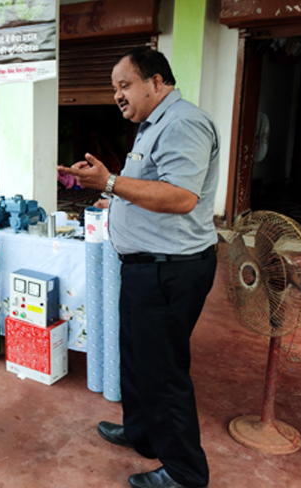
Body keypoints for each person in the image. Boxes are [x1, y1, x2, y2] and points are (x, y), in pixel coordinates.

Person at [59, 47, 219, 488]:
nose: (117, 96)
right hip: (144, 266)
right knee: (136, 357)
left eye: (125, 85)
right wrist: (115, 197)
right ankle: (142, 432)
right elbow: (152, 187)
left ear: (157, 82)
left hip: (170, 269)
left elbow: (181, 197)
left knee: (164, 370)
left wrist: (108, 181)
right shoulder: (152, 126)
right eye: (114, 88)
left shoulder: (183, 122)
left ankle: (185, 472)